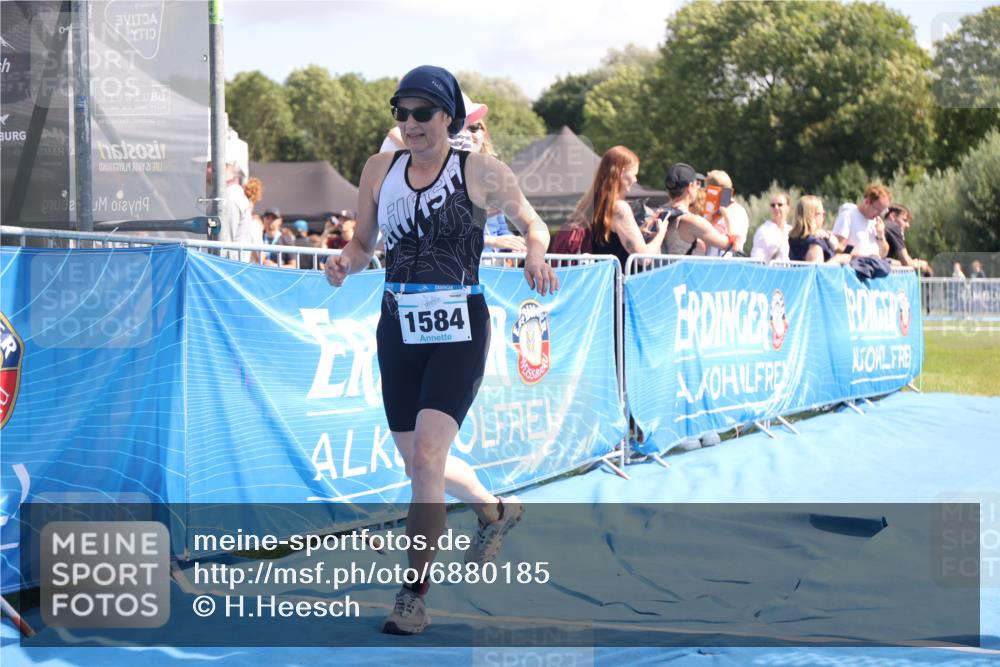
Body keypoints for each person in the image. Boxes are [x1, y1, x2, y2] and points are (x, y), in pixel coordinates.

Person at [324, 65, 557, 636]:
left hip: (459, 327)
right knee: (416, 462)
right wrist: (343, 262)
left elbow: (535, 223)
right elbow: (362, 243)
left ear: (448, 117)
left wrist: (535, 253)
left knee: (427, 458)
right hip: (398, 326)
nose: (410, 124)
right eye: (400, 113)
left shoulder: (479, 171)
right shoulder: (380, 170)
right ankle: (495, 510)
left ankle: (413, 594)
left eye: (422, 113)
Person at [566, 146, 667, 270]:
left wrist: (638, 232)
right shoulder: (619, 208)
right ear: (621, 172)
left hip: (601, 282)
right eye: (634, 174)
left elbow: (607, 242)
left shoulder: (591, 204)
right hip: (617, 284)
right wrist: (661, 233)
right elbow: (643, 258)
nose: (635, 180)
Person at [645, 163, 739, 257]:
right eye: (697, 184)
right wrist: (727, 217)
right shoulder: (692, 221)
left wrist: (710, 220)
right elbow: (732, 245)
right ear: (689, 187)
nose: (698, 188)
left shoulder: (659, 215)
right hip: (687, 271)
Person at [471, 118, 527, 253]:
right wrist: (492, 241)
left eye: (475, 127)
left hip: (491, 269)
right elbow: (445, 234)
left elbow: (500, 228)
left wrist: (513, 244)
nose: (470, 133)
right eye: (463, 126)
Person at [832, 184, 891, 258]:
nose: (880, 214)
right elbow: (837, 247)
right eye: (878, 210)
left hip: (874, 266)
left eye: (883, 211)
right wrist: (858, 256)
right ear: (868, 202)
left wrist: (880, 235)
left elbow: (883, 254)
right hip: (855, 266)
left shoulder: (876, 222)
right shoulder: (848, 216)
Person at [788, 196, 851, 264]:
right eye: (822, 214)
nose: (823, 217)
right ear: (813, 216)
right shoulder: (815, 244)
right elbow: (816, 271)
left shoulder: (794, 238)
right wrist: (838, 259)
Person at [704, 170, 749, 257]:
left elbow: (735, 242)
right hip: (708, 264)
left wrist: (726, 217)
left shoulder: (738, 211)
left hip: (729, 263)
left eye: (707, 191)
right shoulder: (710, 211)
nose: (706, 195)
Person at [882, 205, 930, 274]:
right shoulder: (893, 227)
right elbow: (907, 262)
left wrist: (911, 262)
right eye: (904, 220)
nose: (907, 225)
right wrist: (919, 264)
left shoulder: (883, 227)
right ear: (893, 216)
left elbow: (884, 261)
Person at [750, 192, 791, 262]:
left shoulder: (791, 230)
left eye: (780, 205)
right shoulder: (763, 231)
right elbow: (756, 258)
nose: (776, 207)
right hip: (772, 271)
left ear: (788, 208)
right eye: (773, 205)